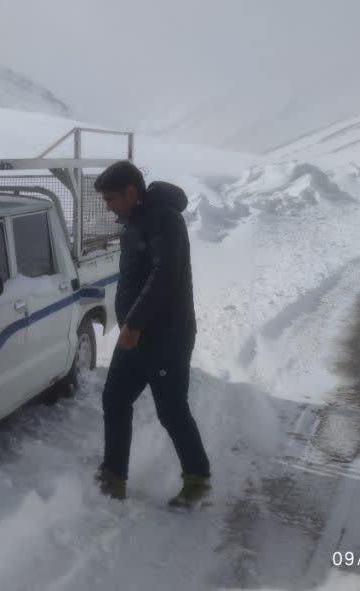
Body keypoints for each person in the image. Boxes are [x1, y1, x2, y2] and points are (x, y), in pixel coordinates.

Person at [93, 160, 211, 509]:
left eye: (112, 198)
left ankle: (198, 478)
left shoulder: (164, 220)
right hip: (137, 333)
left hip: (166, 335)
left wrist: (134, 324)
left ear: (132, 191)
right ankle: (113, 475)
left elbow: (164, 277)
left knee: (171, 409)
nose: (109, 206)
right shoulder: (134, 220)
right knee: (115, 399)